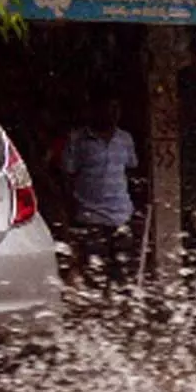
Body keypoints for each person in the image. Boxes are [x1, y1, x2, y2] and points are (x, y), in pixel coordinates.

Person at [55, 95, 142, 284]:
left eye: (115, 110)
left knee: (121, 272)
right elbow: (67, 173)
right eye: (106, 109)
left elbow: (131, 166)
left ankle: (119, 308)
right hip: (90, 216)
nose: (111, 115)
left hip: (120, 214)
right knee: (94, 272)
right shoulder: (77, 139)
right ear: (94, 111)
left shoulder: (125, 139)